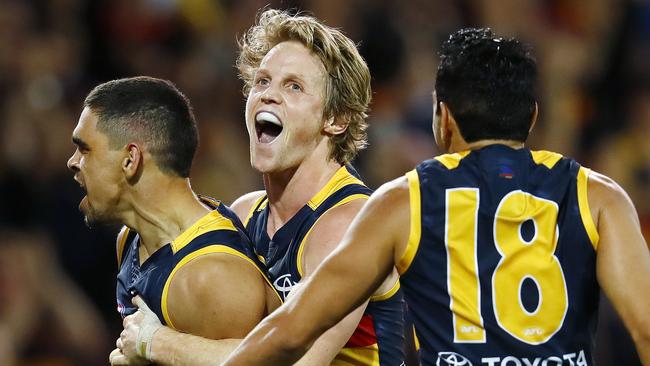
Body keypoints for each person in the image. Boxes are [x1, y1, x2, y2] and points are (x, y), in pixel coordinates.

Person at [221, 28, 650, 366]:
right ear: (533, 116)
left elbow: (294, 330)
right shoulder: (597, 195)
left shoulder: (404, 202)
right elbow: (646, 330)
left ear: (441, 117)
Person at [112, 9, 407, 366]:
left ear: (336, 119)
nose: (268, 95)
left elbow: (296, 363)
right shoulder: (242, 213)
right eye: (262, 81)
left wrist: (157, 343)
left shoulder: (349, 223)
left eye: (293, 86)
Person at [66, 76, 280, 364]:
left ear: (130, 160)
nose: (73, 162)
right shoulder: (130, 239)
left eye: (84, 149)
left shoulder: (213, 277)